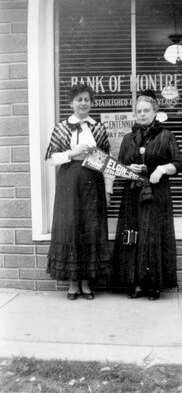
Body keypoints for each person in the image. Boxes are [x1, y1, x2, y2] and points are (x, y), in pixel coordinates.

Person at [112, 90, 182, 300]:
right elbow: (118, 167)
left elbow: (179, 164)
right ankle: (135, 283)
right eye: (139, 111)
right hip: (133, 193)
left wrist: (161, 170)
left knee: (152, 237)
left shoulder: (166, 136)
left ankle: (152, 285)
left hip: (156, 193)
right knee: (132, 236)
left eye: (146, 110)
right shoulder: (128, 138)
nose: (142, 114)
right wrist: (128, 168)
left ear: (155, 112)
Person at [45, 83, 113, 300]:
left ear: (91, 103)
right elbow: (49, 159)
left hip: (93, 186)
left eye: (87, 99)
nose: (83, 103)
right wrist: (71, 153)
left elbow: (108, 163)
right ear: (71, 103)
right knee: (72, 230)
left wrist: (108, 191)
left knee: (91, 229)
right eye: (79, 99)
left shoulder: (99, 128)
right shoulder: (61, 128)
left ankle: (86, 283)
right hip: (69, 187)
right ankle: (73, 284)